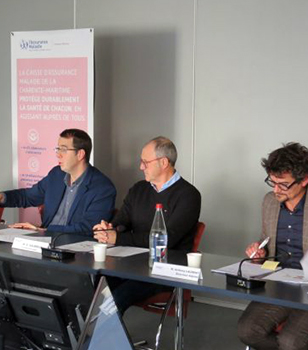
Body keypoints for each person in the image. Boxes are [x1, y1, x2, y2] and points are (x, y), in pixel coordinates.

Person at [93, 136, 201, 314]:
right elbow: (122, 221)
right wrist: (109, 229)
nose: (141, 167)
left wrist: (118, 237)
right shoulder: (139, 189)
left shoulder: (188, 195)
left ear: (164, 162)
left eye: (145, 162)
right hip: (131, 263)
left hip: (164, 270)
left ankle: (98, 340)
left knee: (114, 298)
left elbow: (168, 239)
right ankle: (82, 338)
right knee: (91, 282)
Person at [238, 142, 308, 350]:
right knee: (247, 331)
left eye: (283, 184)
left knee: (291, 342)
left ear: (304, 180)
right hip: (279, 282)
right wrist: (259, 251)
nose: (276, 190)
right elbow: (266, 239)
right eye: (272, 181)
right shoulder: (269, 201)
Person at [0, 129, 116, 235]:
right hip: (45, 241)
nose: (58, 154)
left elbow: (88, 228)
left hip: (75, 249)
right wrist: (2, 197)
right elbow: (28, 196)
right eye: (58, 149)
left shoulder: (103, 188)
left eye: (64, 150)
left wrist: (42, 230)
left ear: (80, 154)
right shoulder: (56, 175)